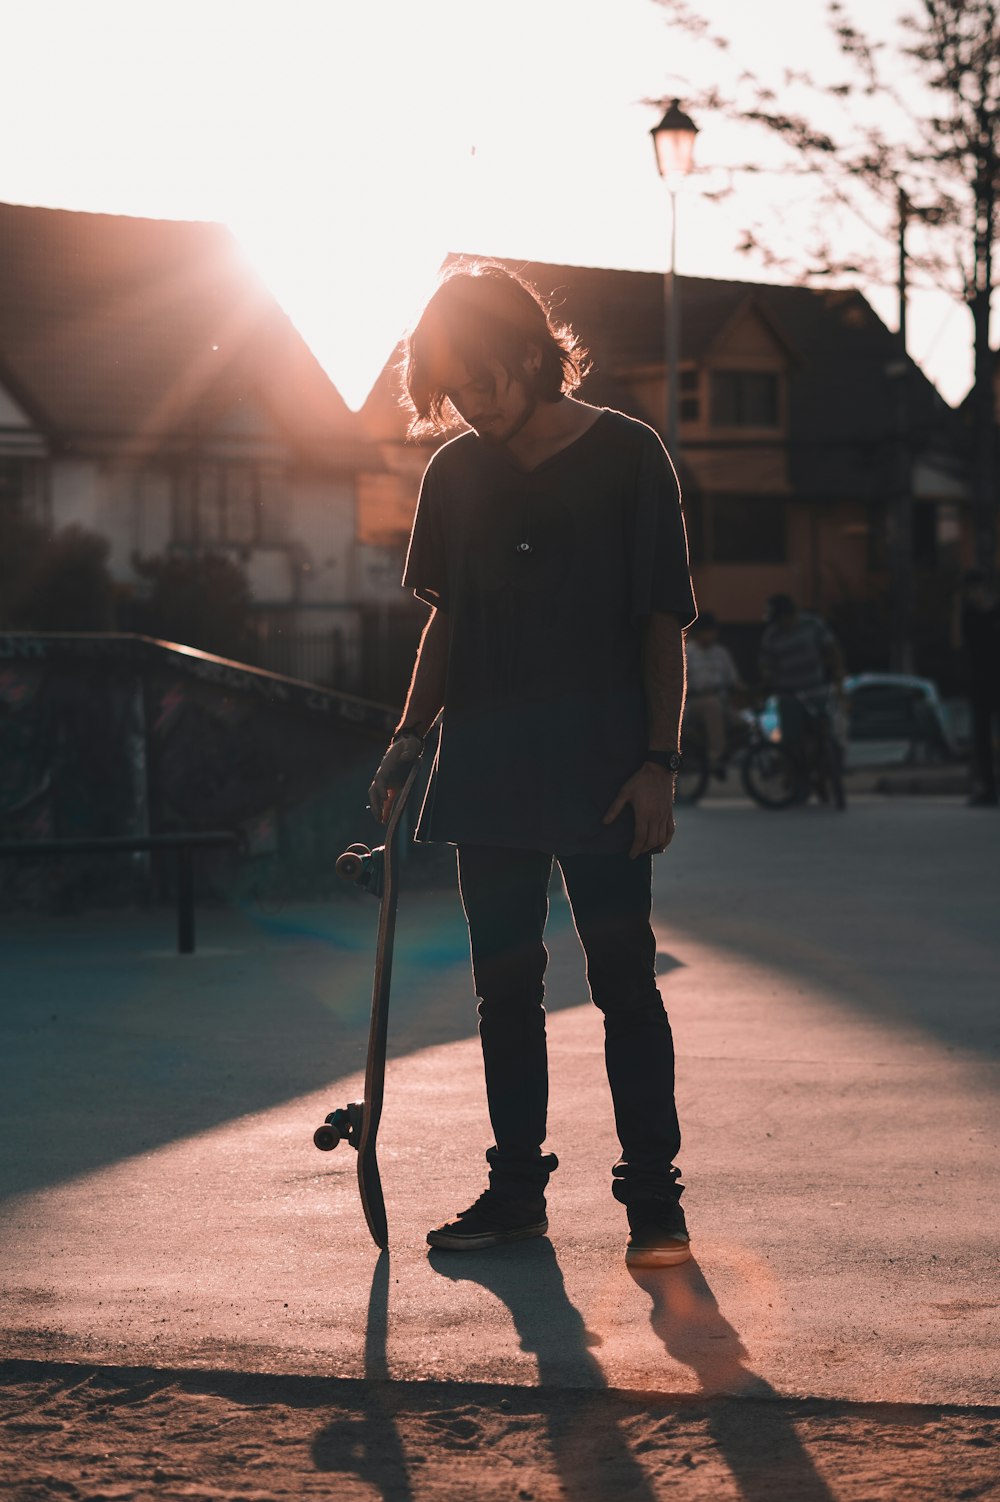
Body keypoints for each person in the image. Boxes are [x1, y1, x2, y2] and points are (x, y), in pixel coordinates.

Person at [368, 263, 697, 1269]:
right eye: (452, 392)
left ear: (529, 354)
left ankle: (653, 1204)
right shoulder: (456, 474)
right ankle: (516, 1190)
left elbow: (662, 623)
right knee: (502, 991)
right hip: (488, 764)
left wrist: (658, 762)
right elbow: (447, 622)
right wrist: (406, 737)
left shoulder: (629, 456)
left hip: (603, 763)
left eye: (482, 383)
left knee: (623, 983)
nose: (470, 406)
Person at [758, 594, 845, 793]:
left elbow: (832, 650)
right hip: (788, 693)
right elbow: (765, 665)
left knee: (826, 731)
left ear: (791, 614)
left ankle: (828, 770)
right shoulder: (771, 635)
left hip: (816, 688)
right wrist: (768, 680)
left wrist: (838, 675)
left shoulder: (813, 625)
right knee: (792, 739)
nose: (780, 623)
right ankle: (797, 779)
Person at [957, 570, 1000, 807]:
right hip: (981, 683)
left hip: (992, 681)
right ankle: (988, 788)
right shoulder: (969, 614)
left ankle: (989, 788)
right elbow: (967, 647)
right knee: (982, 740)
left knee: (985, 738)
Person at [683, 611, 746, 775]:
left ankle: (726, 755)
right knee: (712, 705)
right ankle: (715, 758)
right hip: (695, 702)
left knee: (744, 726)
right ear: (699, 632)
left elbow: (733, 680)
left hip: (721, 700)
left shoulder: (721, 653)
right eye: (708, 631)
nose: (711, 635)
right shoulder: (688, 653)